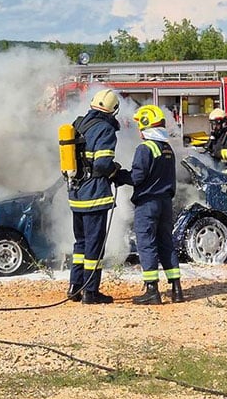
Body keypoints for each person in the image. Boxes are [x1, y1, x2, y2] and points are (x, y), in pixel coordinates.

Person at [114, 105, 184, 304]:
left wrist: (118, 175)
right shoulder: (168, 149)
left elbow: (137, 177)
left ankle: (152, 290)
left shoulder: (145, 148)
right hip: (165, 203)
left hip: (148, 204)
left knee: (147, 244)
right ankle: (176, 289)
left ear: (145, 125)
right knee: (166, 243)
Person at [67, 88, 123, 304]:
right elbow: (102, 163)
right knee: (94, 246)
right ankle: (91, 292)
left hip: (76, 195)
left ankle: (74, 287)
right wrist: (115, 172)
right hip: (95, 197)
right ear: (113, 110)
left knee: (80, 243)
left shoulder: (78, 124)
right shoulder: (105, 130)